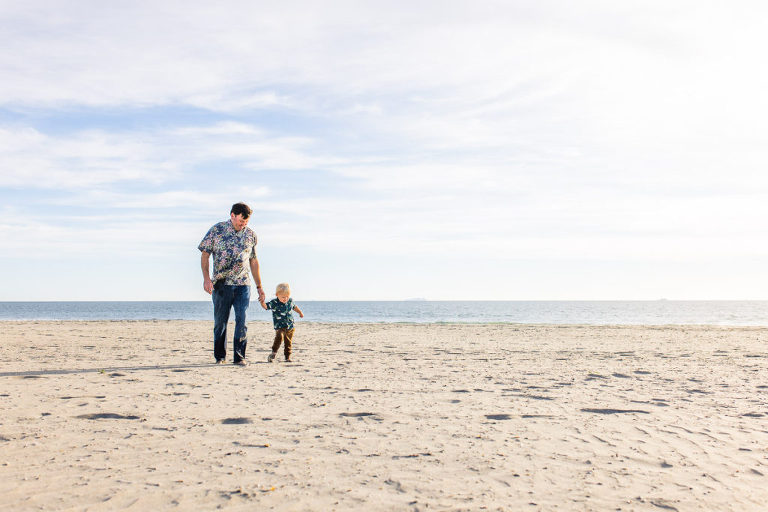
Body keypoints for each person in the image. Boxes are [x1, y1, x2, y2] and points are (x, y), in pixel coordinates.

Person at [198, 202, 265, 365]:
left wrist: (259, 287)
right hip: (221, 284)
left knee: (242, 320)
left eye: (246, 222)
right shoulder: (217, 230)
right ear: (232, 215)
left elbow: (254, 261)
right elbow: (205, 255)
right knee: (220, 322)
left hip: (243, 284)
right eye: (241, 221)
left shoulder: (251, 235)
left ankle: (239, 357)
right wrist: (206, 278)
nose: (243, 224)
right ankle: (220, 357)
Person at [260, 282, 304, 362]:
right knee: (279, 337)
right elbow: (266, 307)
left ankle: (287, 357)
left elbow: (295, 307)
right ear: (277, 295)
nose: (285, 299)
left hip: (290, 326)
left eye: (287, 297)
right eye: (283, 297)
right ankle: (273, 353)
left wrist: (300, 312)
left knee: (288, 342)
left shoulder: (290, 301)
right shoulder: (274, 302)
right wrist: (262, 302)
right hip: (279, 326)